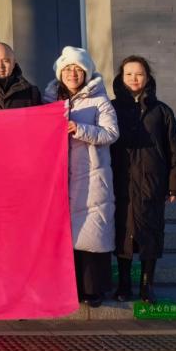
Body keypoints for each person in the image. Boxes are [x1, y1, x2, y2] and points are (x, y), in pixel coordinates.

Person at [43, 46, 119, 308]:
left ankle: (93, 290)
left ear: (86, 73)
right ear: (60, 73)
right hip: (58, 176)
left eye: (78, 69)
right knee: (62, 237)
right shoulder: (48, 100)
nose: (72, 74)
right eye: (67, 69)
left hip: (91, 177)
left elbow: (111, 133)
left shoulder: (100, 100)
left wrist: (80, 129)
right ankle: (66, 288)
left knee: (91, 234)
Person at [111, 55, 176, 304]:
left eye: (139, 74)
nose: (134, 78)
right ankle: (123, 284)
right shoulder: (111, 108)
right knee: (122, 232)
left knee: (150, 232)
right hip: (120, 181)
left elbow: (174, 150)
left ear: (148, 77)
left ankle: (146, 285)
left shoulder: (161, 111)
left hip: (152, 183)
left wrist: (174, 185)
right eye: (129, 74)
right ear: (121, 77)